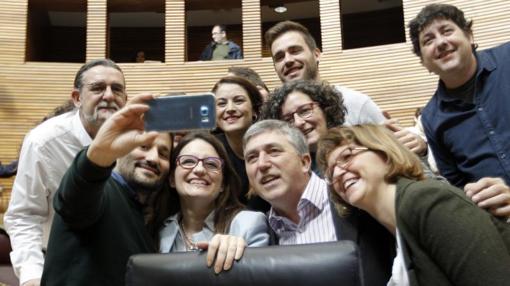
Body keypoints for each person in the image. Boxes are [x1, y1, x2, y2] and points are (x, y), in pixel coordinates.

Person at [316, 124, 510, 286]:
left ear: (384, 151)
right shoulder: (390, 234)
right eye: (331, 172)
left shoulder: (425, 200)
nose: (338, 173)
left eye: (347, 156)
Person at [4, 59, 127, 286]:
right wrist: (32, 276)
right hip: (63, 263)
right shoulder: (43, 142)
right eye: (98, 88)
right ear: (77, 98)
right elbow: (24, 216)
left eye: (117, 89)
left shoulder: (137, 140)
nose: (109, 95)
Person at [243, 120, 395, 286]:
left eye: (273, 151)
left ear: (305, 162)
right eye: (252, 158)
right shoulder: (259, 234)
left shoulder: (355, 197)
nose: (262, 164)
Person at [41, 93, 172, 285]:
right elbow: (76, 198)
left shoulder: (140, 209)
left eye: (163, 153)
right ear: (121, 148)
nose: (153, 158)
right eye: (143, 146)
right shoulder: (99, 190)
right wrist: (98, 155)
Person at [409, 3, 510, 218]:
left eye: (447, 31)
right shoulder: (431, 119)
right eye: (428, 40)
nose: (441, 42)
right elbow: (459, 187)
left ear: (469, 36)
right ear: (423, 62)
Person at [159, 132, 269, 273]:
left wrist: (241, 256)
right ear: (172, 179)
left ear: (223, 183)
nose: (199, 170)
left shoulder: (248, 224)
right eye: (188, 161)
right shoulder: (161, 230)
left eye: (211, 164)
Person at [261, 80, 346, 173]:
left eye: (305, 111)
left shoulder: (356, 144)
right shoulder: (291, 171)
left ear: (325, 108)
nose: (298, 123)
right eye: (288, 120)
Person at [211, 76, 269, 212]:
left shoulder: (272, 143)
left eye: (238, 101)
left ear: (255, 110)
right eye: (221, 103)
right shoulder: (210, 149)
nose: (230, 108)